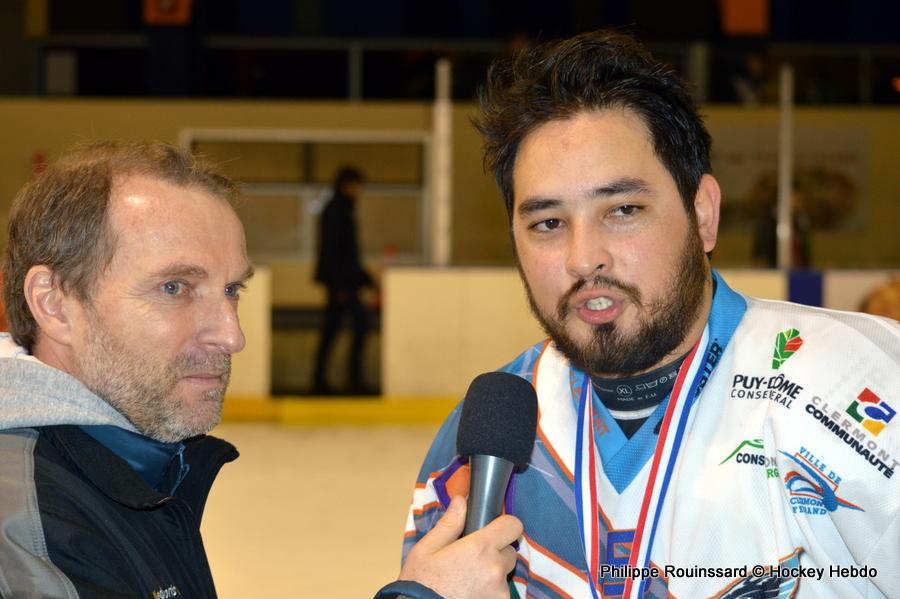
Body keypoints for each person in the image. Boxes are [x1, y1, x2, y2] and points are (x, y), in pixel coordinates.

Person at [403, 31, 899, 599]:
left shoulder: (863, 385)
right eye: (547, 223)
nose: (584, 257)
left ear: (703, 214)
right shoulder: (481, 443)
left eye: (623, 210)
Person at [0, 140, 521, 599]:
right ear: (55, 303)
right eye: (175, 288)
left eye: (232, 290)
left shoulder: (118, 469)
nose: (232, 335)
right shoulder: (25, 526)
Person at [313, 166, 375, 394]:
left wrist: (365, 278)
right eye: (357, 186)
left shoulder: (342, 208)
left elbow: (347, 253)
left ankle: (323, 380)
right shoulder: (338, 210)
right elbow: (334, 250)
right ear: (347, 185)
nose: (360, 191)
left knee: (335, 330)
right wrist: (339, 285)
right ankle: (350, 381)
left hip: (344, 282)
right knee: (357, 327)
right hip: (342, 285)